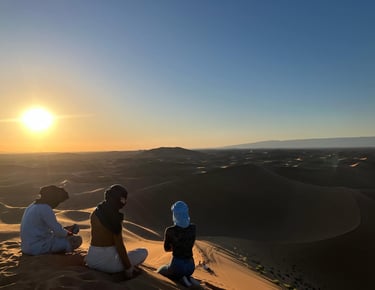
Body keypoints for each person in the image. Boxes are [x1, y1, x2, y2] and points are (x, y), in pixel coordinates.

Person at [84, 184, 148, 279]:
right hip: (107, 265)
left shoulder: (96, 212)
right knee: (143, 252)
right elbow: (119, 245)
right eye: (122, 199)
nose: (124, 202)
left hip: (91, 259)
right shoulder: (115, 218)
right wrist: (128, 269)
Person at [20, 185, 82, 255]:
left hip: (26, 247)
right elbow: (58, 231)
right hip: (37, 247)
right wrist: (69, 234)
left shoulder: (31, 206)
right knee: (77, 240)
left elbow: (49, 229)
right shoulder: (45, 208)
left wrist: (66, 230)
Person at [157, 201, 199, 287]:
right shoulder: (193, 228)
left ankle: (181, 278)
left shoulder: (170, 230)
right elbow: (190, 243)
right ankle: (188, 277)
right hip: (191, 265)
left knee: (160, 271)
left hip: (177, 265)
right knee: (183, 271)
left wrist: (176, 246)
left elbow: (166, 249)